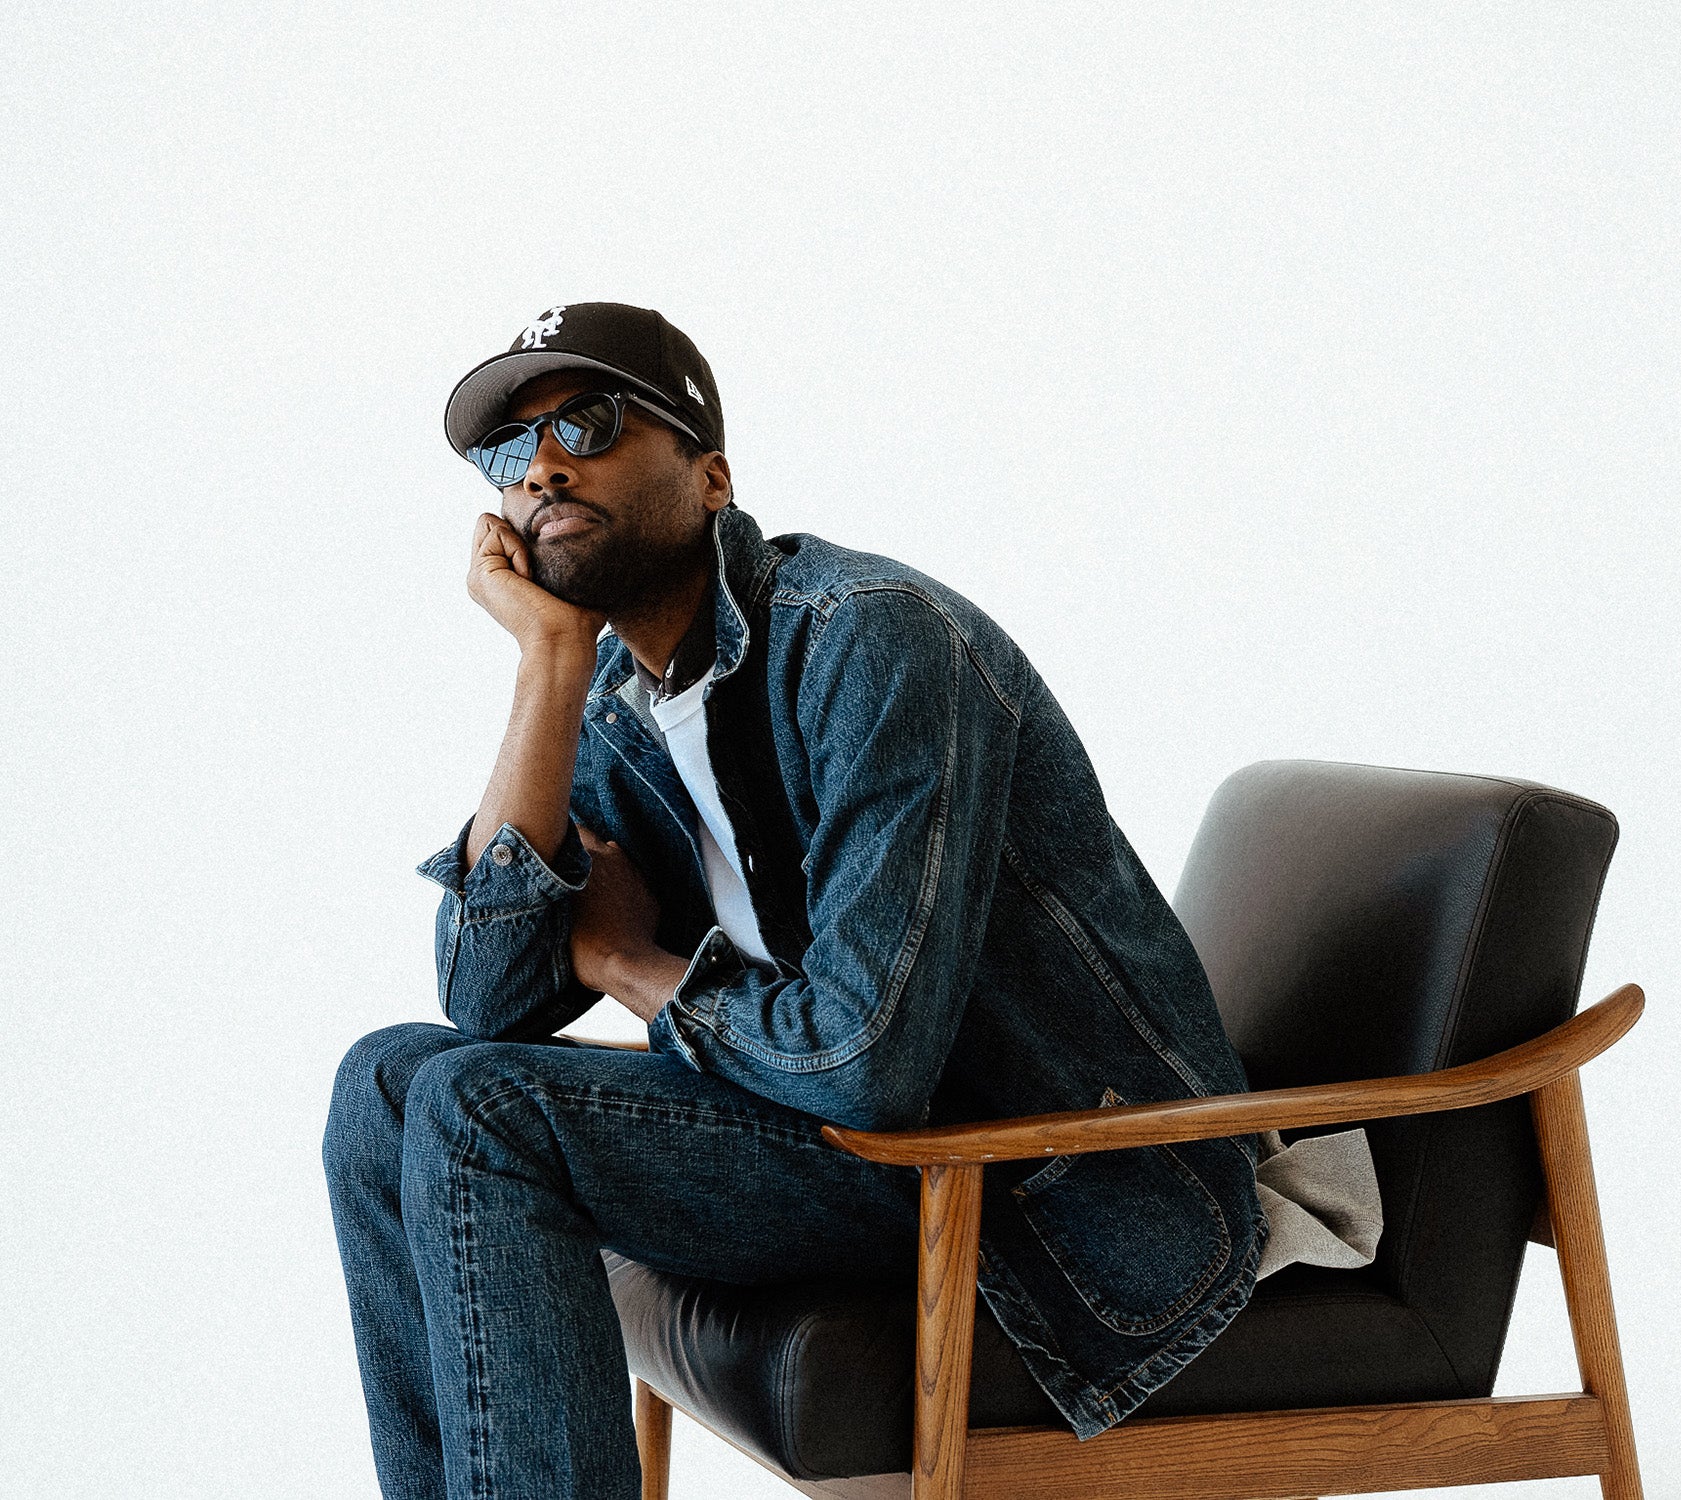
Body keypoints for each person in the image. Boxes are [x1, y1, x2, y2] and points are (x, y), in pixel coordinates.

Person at [321, 301, 1363, 1500]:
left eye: (591, 423)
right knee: (387, 1084)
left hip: (1033, 1183)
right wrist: (546, 668)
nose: (543, 466)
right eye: (510, 454)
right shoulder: (613, 691)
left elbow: (869, 1062)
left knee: (481, 1109)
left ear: (711, 476)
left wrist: (627, 967)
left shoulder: (875, 644)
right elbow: (484, 996)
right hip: (863, 1143)